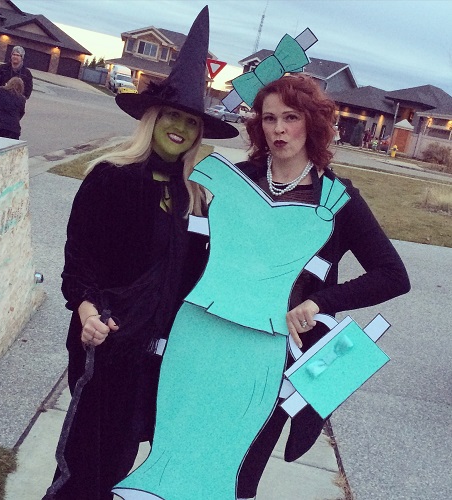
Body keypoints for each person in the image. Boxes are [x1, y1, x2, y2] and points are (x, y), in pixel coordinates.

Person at [45, 7, 238, 500]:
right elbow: (78, 263)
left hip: (154, 356)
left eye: (191, 122)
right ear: (153, 117)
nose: (181, 128)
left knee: (121, 460)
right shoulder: (111, 177)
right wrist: (88, 313)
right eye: (173, 116)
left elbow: (195, 277)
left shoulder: (194, 198)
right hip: (105, 341)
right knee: (82, 465)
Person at [229, 74, 410, 500]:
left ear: (311, 123)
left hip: (283, 356)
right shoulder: (239, 181)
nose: (278, 129)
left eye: (291, 118)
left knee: (241, 474)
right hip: (225, 339)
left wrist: (319, 301)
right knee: (200, 453)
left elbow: (392, 275)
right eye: (269, 118)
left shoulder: (337, 198)